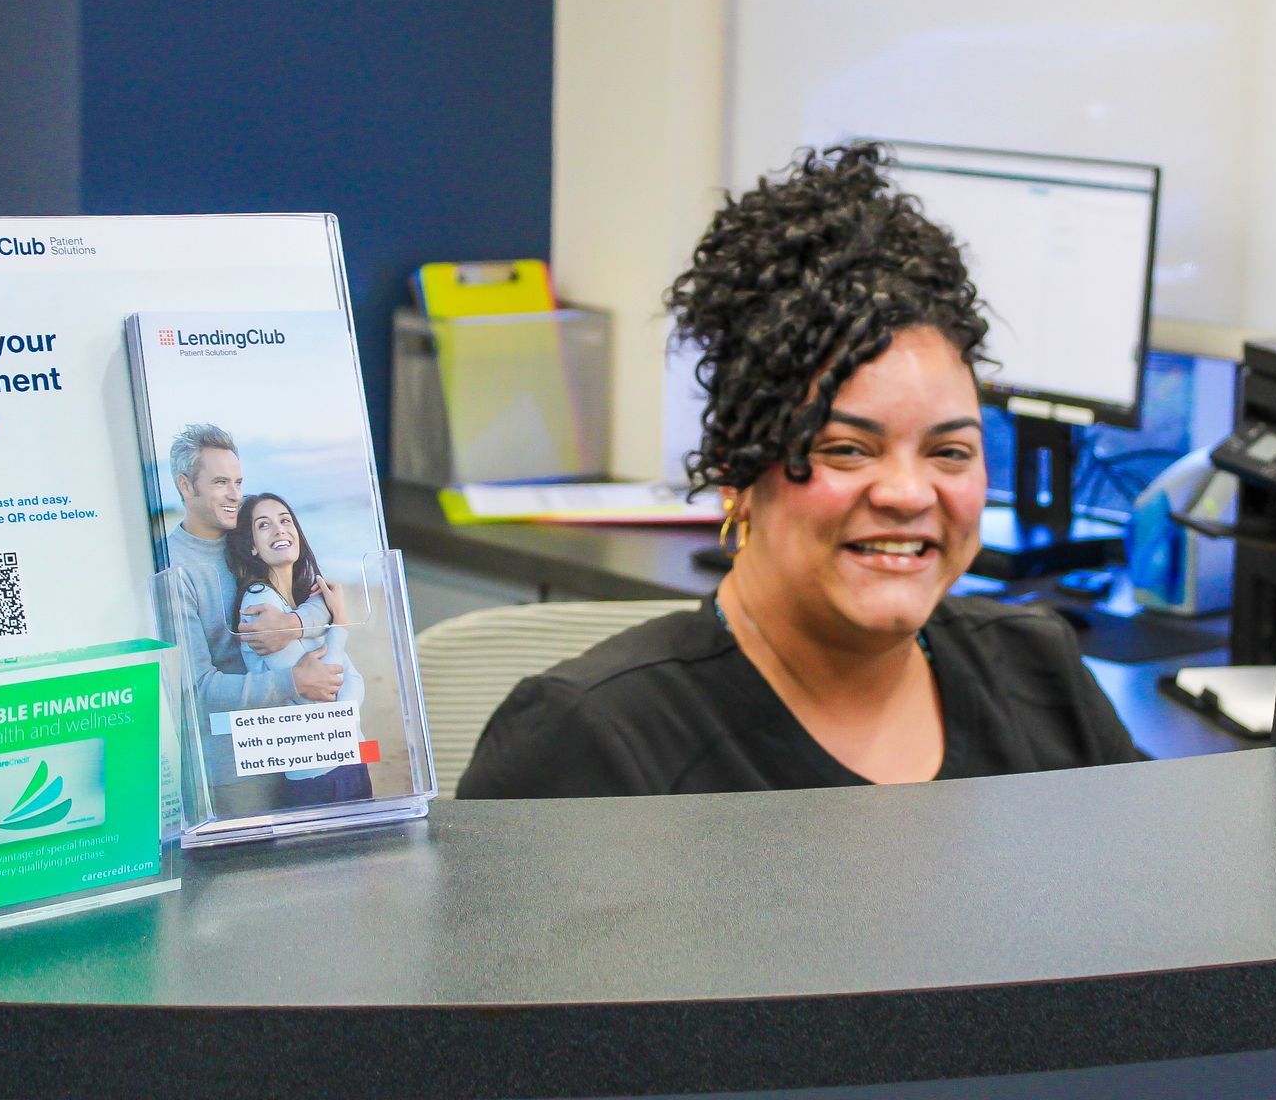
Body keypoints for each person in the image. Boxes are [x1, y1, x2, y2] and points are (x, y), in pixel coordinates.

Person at [459, 144, 1142, 799]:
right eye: (847, 448)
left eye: (949, 452)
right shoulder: (589, 743)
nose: (908, 493)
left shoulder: (1041, 675)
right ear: (734, 466)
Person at [165, 424, 341, 818]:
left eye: (238, 482)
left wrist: (291, 625)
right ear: (186, 486)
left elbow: (320, 596)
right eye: (220, 482)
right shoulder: (172, 569)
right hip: (234, 767)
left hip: (294, 746)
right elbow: (197, 689)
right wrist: (294, 681)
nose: (234, 494)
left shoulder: (246, 539)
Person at [225, 493, 374, 806]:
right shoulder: (257, 602)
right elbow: (324, 694)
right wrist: (341, 622)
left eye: (285, 520)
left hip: (350, 761)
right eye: (263, 525)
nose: (279, 530)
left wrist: (343, 705)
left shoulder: (298, 603)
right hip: (317, 775)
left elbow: (355, 686)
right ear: (252, 546)